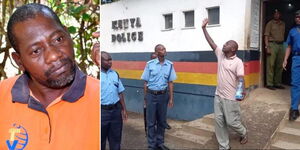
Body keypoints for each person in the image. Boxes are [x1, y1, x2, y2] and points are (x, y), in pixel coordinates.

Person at [0, 3, 99, 150]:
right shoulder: (2, 95)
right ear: (19, 61)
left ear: (68, 34)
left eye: (58, 39)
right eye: (36, 51)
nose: (54, 55)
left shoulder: (98, 97)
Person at [202, 18, 247, 150]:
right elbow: (212, 43)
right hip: (218, 96)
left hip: (230, 97)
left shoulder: (238, 62)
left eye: (227, 44)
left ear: (233, 49)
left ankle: (243, 132)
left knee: (232, 122)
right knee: (219, 122)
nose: (224, 44)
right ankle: (224, 147)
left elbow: (240, 78)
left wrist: (240, 93)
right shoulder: (220, 55)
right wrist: (204, 29)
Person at [141, 44, 176, 150]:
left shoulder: (169, 65)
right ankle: (151, 145)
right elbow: (145, 83)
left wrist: (171, 98)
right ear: (156, 53)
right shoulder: (149, 64)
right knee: (151, 122)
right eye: (162, 49)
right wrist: (146, 98)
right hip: (151, 95)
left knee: (161, 121)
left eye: (165, 48)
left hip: (163, 96)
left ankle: (160, 143)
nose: (164, 50)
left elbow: (170, 83)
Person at [101, 51, 128, 150]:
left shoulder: (115, 74)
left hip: (115, 112)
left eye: (110, 59)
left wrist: (124, 109)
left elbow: (120, 92)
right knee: (100, 142)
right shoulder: (96, 76)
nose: (110, 62)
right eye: (107, 60)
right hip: (102, 112)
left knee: (116, 141)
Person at [283, 10, 300, 121]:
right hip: (296, 58)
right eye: (297, 17)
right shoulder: (292, 31)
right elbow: (289, 46)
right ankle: (294, 108)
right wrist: (285, 60)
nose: (298, 18)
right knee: (295, 83)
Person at [264, 9, 286, 90]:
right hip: (272, 44)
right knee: (271, 64)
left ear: (280, 15)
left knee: (279, 65)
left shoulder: (283, 23)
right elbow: (266, 35)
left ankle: (277, 83)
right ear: (273, 15)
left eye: (278, 14)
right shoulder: (270, 23)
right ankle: (269, 83)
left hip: (281, 45)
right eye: (275, 14)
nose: (277, 15)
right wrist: (267, 46)